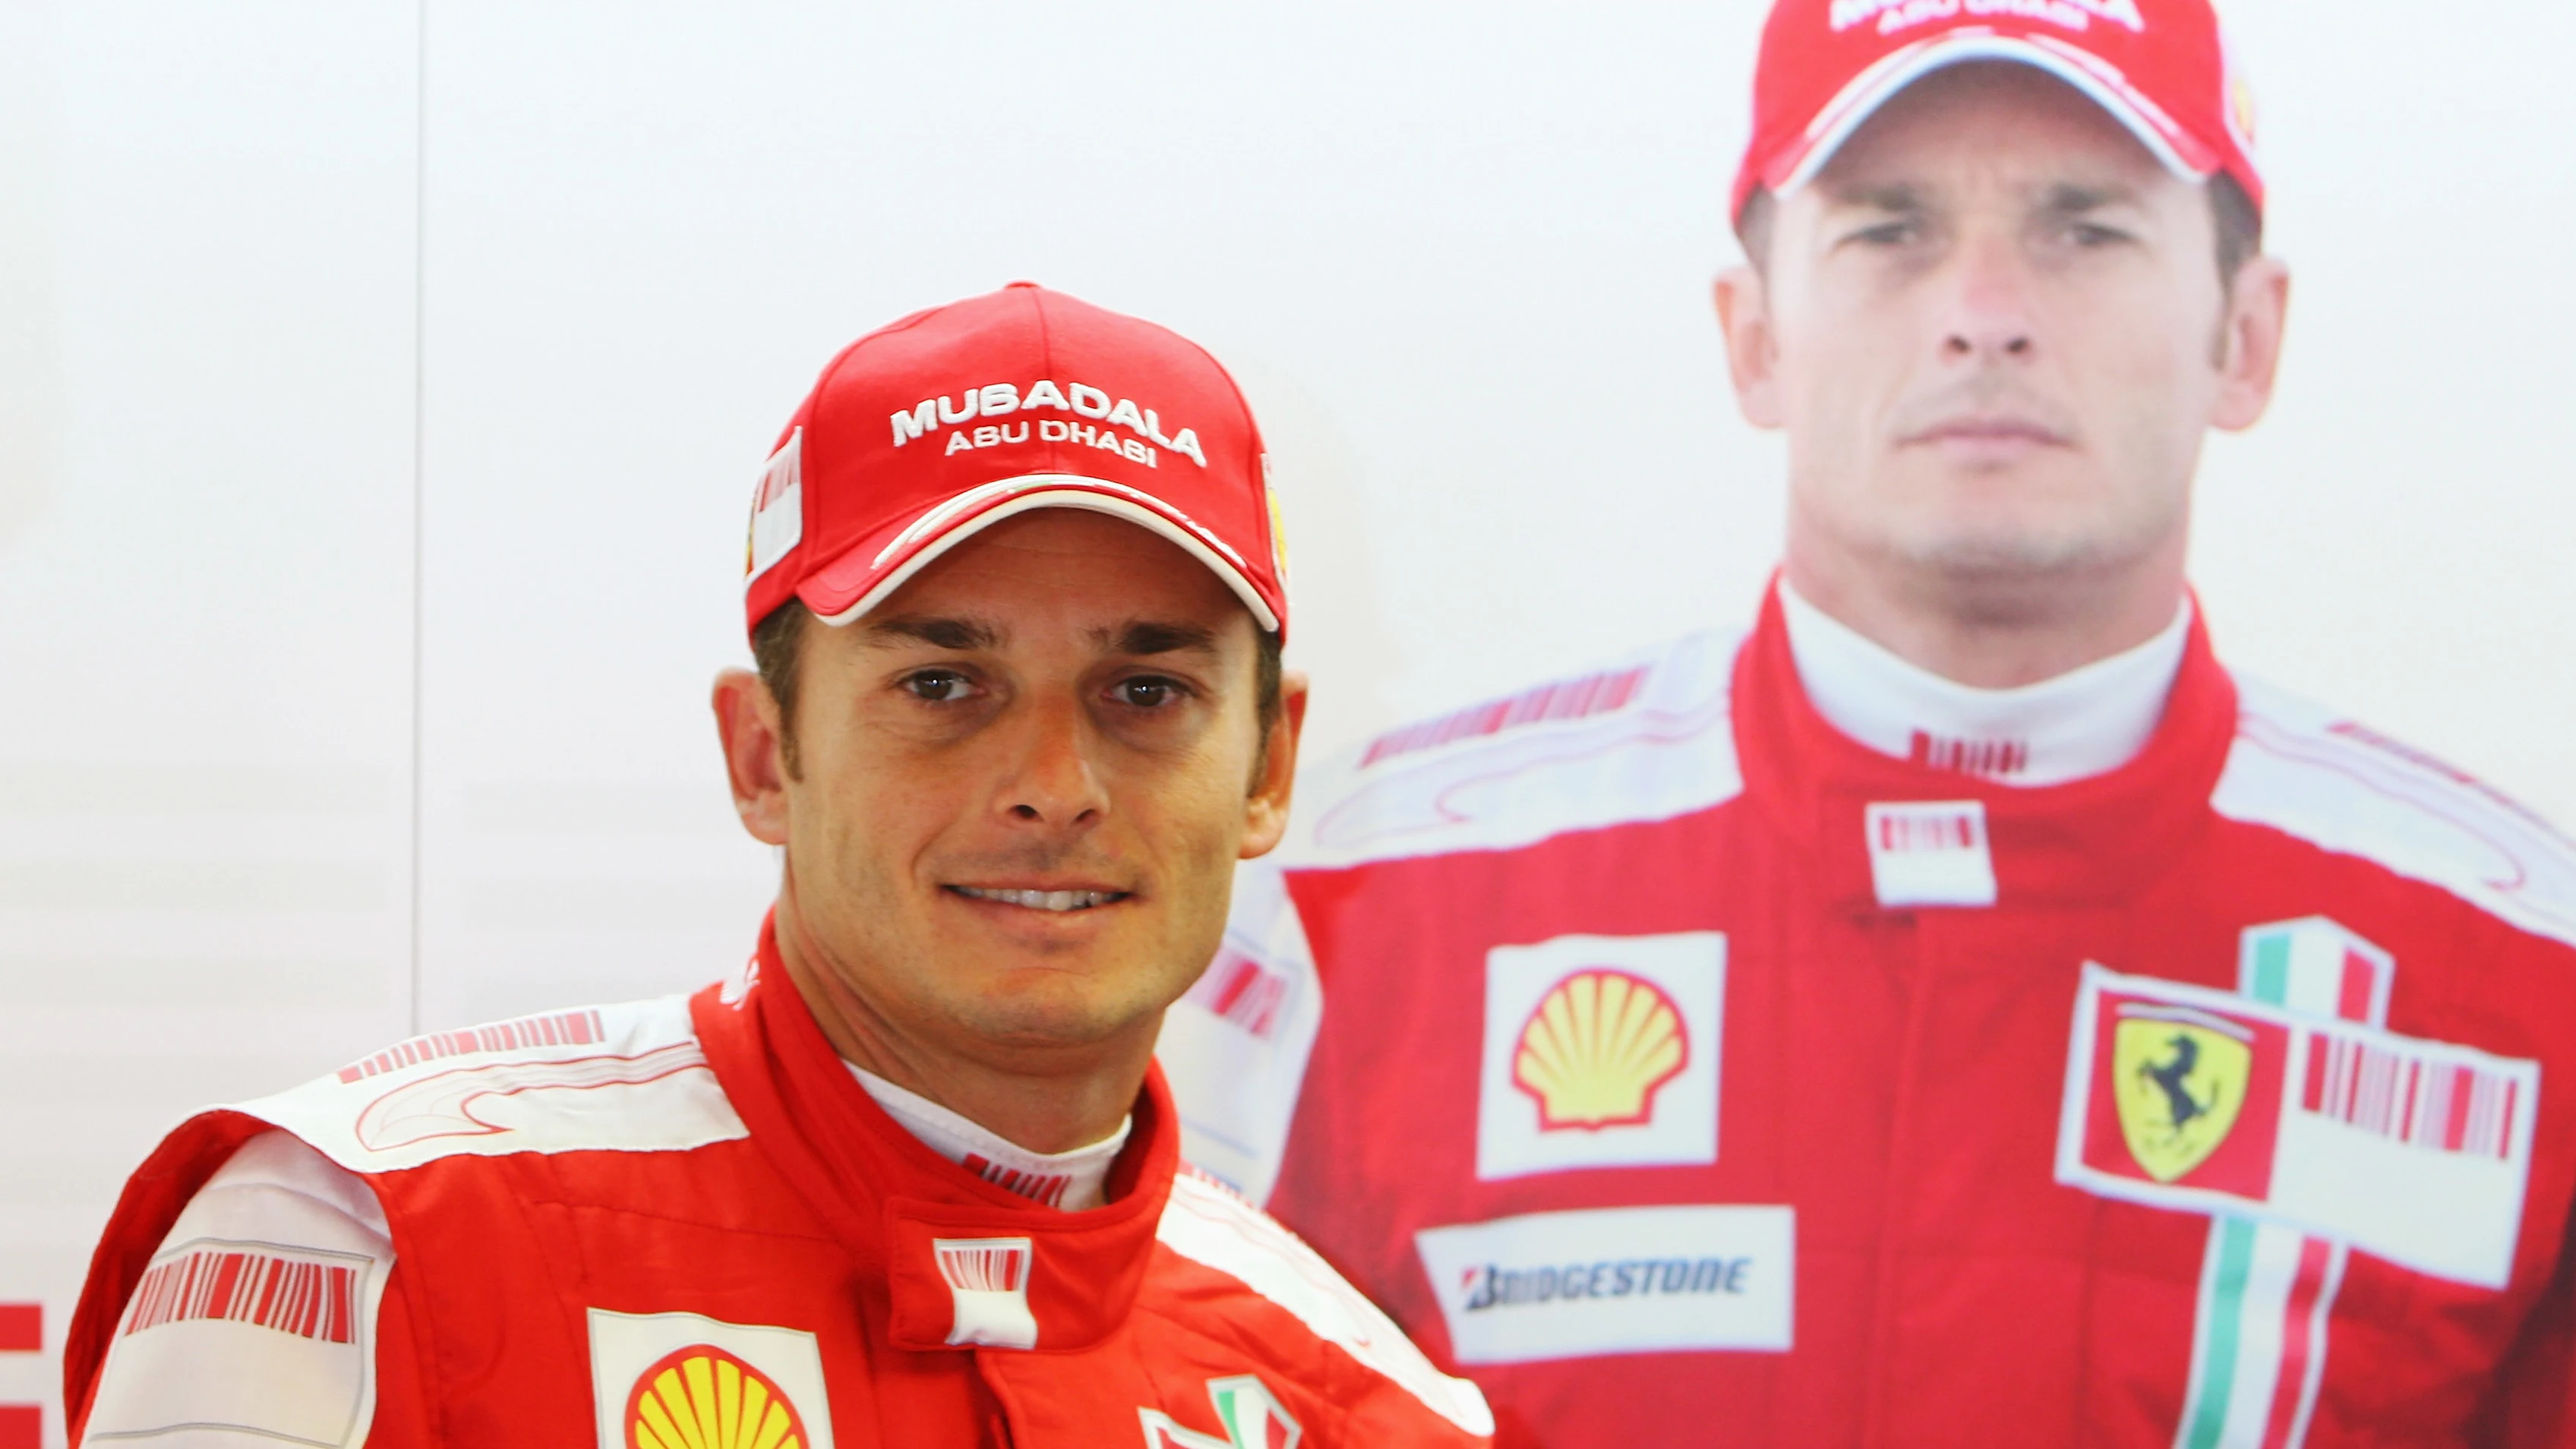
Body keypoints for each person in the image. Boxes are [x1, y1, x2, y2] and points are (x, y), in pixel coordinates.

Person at [1154, 4, 2576, 1446]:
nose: (1983, 308)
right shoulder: (1337, 907)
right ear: (1755, 335)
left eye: (2085, 228)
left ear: (2248, 336)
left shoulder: (2532, 980)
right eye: (1889, 229)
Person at [63, 284, 1493, 1448]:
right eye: (945, 686)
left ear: (1267, 770)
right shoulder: (366, 1243)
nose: (1054, 788)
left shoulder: (1370, 1405)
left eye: (1146, 693)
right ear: (761, 755)